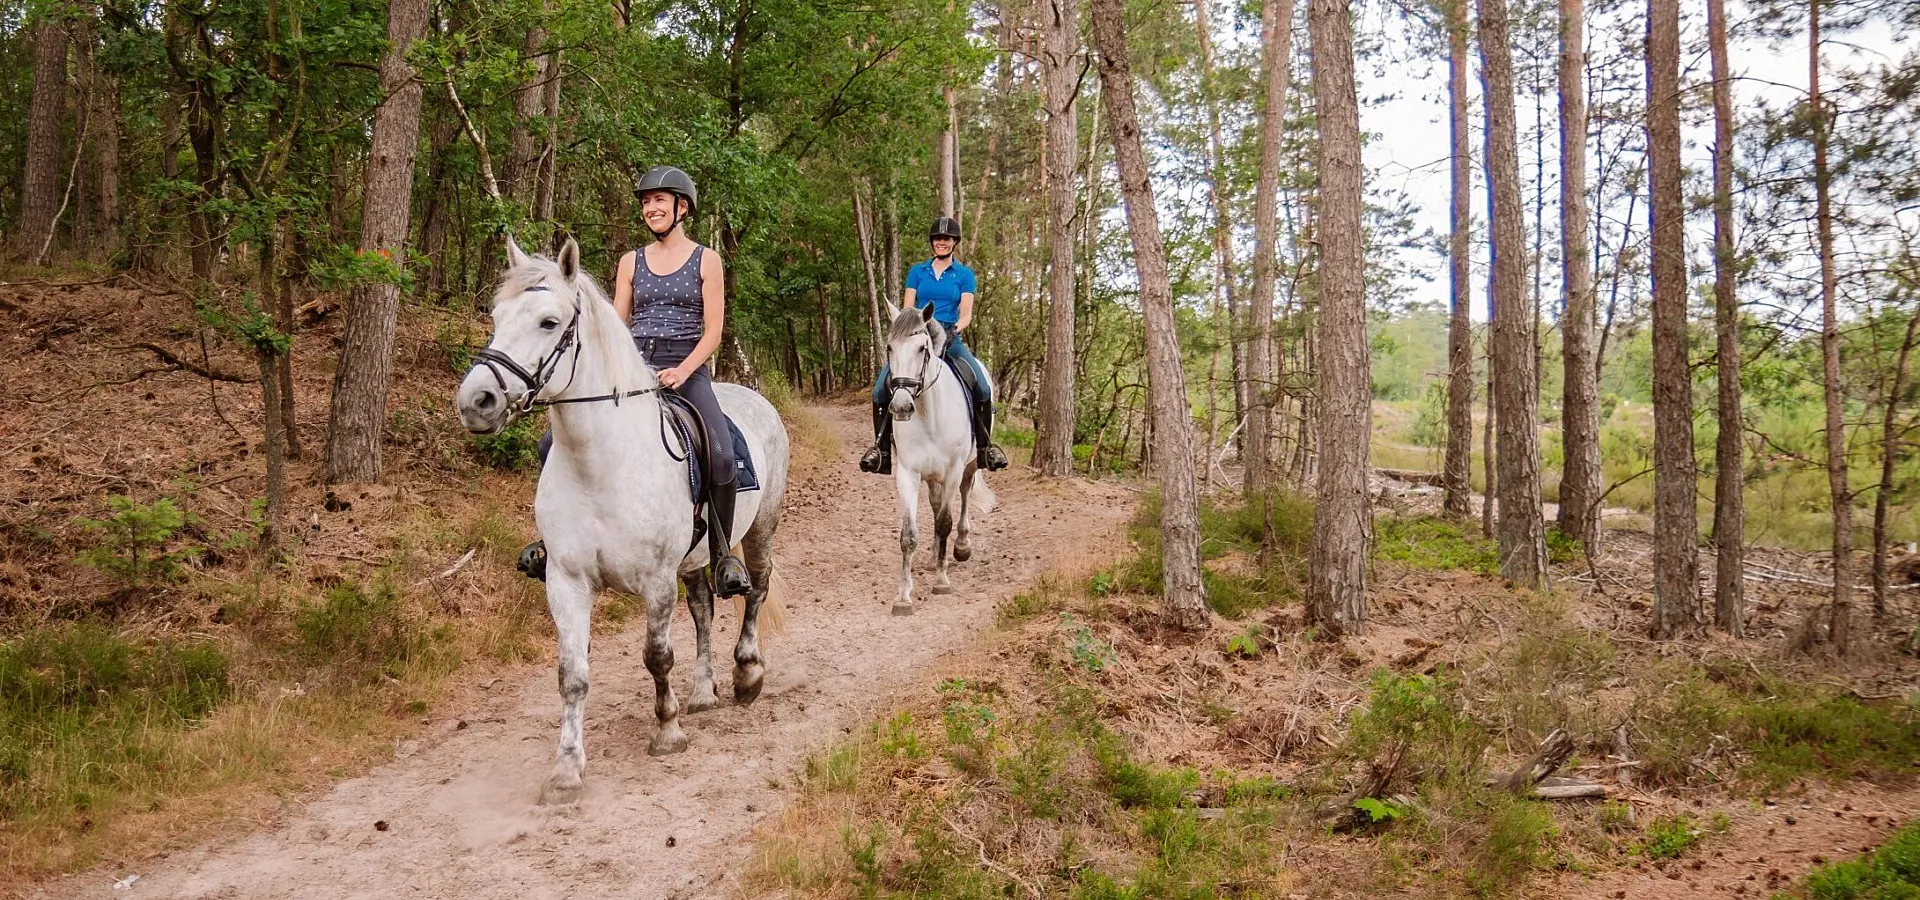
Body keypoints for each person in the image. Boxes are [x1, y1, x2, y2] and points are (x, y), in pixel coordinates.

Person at [519, 166, 751, 598]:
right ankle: (554, 543)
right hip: (634, 367)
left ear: (682, 208)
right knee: (549, 444)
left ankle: (723, 557)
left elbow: (714, 331)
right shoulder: (632, 261)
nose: (651, 208)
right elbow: (617, 323)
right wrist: (617, 370)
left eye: (659, 201)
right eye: (646, 202)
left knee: (720, 451)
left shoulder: (707, 260)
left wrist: (683, 370)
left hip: (687, 368)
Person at [859, 217, 1010, 475]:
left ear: (954, 243)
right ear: (932, 242)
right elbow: (908, 309)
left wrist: (954, 330)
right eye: (938, 239)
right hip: (917, 337)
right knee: (878, 391)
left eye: (947, 239)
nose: (942, 242)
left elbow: (967, 314)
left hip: (950, 339)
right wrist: (911, 331)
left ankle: (986, 449)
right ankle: (880, 451)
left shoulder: (964, 275)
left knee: (982, 388)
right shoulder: (918, 272)